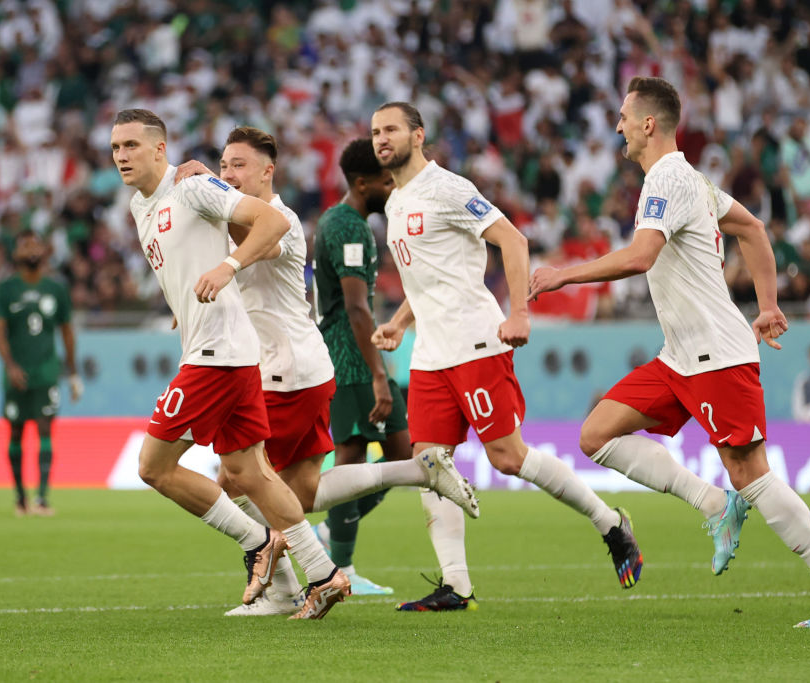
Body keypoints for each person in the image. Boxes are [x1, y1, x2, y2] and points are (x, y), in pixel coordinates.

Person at [528, 76, 810, 629]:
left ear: (648, 124)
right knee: (596, 435)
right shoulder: (696, 184)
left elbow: (641, 257)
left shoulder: (667, 179)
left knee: (751, 473)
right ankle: (713, 506)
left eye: (623, 116)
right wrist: (766, 304)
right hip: (680, 355)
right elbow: (752, 229)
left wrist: (563, 276)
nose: (616, 126)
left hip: (716, 353)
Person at [173, 128, 476, 616]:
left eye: (239, 165)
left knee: (238, 478)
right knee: (303, 493)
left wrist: (207, 184)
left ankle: (284, 589)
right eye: (224, 165)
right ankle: (418, 469)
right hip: (301, 367)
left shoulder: (281, 221)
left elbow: (256, 245)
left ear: (268, 171)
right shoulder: (243, 221)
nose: (229, 174)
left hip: (281, 371)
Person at [370, 102, 644, 612]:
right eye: (374, 132)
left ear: (418, 135)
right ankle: (457, 586)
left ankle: (610, 523)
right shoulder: (394, 202)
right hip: (430, 353)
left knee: (507, 457)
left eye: (390, 129)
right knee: (430, 465)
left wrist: (519, 313)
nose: (380, 138)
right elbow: (427, 276)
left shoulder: (448, 188)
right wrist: (400, 322)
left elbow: (513, 241)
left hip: (475, 343)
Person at [111, 108, 349, 620]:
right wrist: (183, 305)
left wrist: (228, 266)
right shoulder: (139, 206)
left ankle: (256, 540)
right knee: (251, 473)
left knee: (153, 467)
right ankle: (325, 574)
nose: (121, 156)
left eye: (132, 145)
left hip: (218, 354)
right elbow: (182, 262)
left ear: (160, 148)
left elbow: (275, 220)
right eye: (115, 148)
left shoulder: (192, 188)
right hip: (236, 353)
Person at [310, 138, 414, 596]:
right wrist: (377, 374)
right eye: (386, 180)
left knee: (389, 454)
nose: (393, 187)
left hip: (346, 350)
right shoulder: (349, 227)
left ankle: (335, 540)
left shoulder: (339, 221)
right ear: (362, 183)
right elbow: (356, 308)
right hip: (349, 355)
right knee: (361, 456)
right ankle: (340, 563)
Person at [0, 229, 81, 517]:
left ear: (43, 252)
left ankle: (41, 499)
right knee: (15, 431)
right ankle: (19, 498)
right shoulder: (4, 290)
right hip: (16, 373)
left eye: (35, 244)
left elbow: (67, 331)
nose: (30, 249)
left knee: (45, 427)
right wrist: (10, 365)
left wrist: (73, 372)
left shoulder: (56, 289)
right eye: (24, 244)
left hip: (46, 371)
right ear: (15, 254)